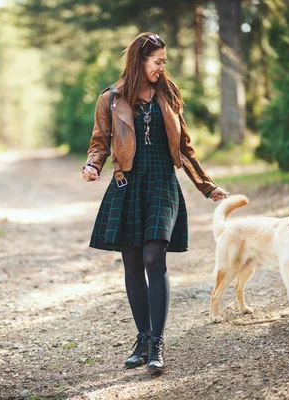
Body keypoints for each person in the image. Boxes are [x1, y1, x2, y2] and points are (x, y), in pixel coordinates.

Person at [82, 32, 229, 374]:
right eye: (157, 62)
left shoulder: (169, 94)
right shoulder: (111, 98)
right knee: (132, 264)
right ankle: (143, 339)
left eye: (164, 62)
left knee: (153, 257)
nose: (162, 69)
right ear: (140, 61)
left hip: (162, 182)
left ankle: (158, 344)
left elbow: (184, 149)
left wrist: (207, 186)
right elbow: (100, 141)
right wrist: (92, 165)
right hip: (128, 185)